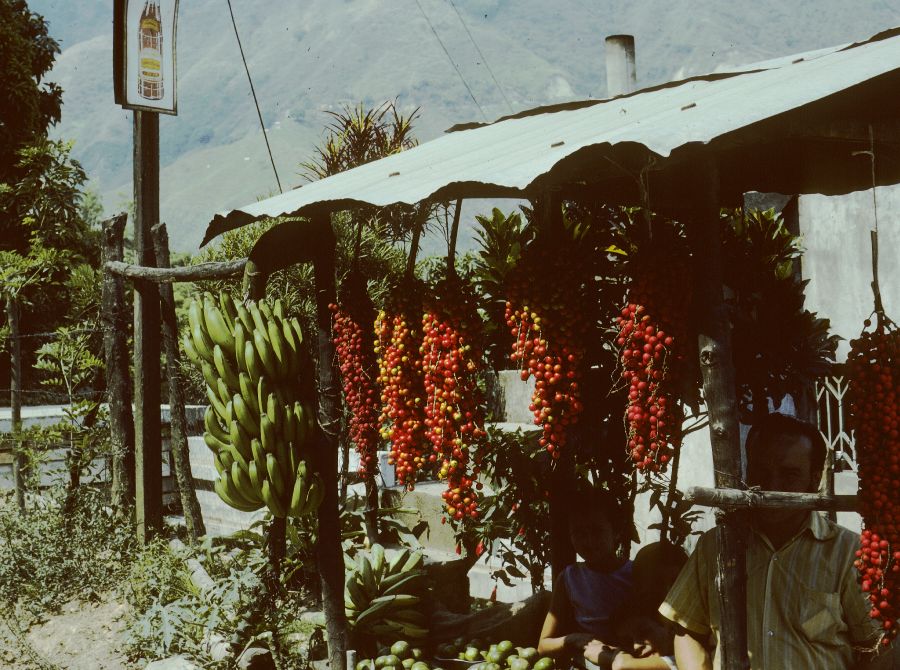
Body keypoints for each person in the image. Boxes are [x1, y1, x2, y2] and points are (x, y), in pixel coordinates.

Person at [659, 412, 882, 670]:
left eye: (789, 474)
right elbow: (687, 631)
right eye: (761, 472)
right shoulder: (715, 547)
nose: (771, 485)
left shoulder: (848, 553)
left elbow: (876, 648)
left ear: (815, 477)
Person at [538, 488, 635, 662]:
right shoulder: (570, 579)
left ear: (617, 531)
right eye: (579, 533)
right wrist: (573, 639)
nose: (589, 541)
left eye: (597, 531)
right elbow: (543, 646)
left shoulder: (636, 574)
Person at [584, 542, 688, 670]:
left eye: (675, 582)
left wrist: (612, 658)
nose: (667, 591)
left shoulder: (694, 639)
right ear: (638, 585)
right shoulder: (631, 616)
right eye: (657, 583)